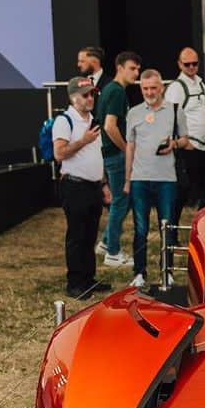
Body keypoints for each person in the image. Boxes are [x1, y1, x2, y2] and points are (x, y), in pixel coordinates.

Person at [124, 69, 189, 289]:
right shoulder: (133, 113)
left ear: (161, 87)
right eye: (145, 88)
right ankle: (139, 272)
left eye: (153, 88)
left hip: (166, 179)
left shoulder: (174, 109)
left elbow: (185, 140)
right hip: (140, 179)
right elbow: (130, 147)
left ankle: (167, 271)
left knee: (167, 227)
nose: (149, 92)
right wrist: (127, 178)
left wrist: (174, 144)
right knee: (140, 228)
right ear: (140, 89)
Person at [53, 75, 112, 300]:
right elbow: (59, 153)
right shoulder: (64, 120)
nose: (90, 99)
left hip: (93, 186)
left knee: (90, 234)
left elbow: (98, 155)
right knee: (77, 234)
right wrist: (83, 140)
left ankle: (88, 279)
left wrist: (104, 183)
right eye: (86, 95)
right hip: (74, 185)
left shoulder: (92, 121)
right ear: (73, 97)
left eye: (93, 94)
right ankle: (75, 282)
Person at [96, 51, 141, 268]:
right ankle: (112, 252)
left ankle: (106, 242)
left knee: (123, 202)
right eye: (132, 68)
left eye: (138, 69)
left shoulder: (111, 90)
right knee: (120, 202)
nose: (136, 72)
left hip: (111, 155)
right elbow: (109, 126)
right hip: (116, 156)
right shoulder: (116, 92)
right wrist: (126, 150)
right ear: (119, 67)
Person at [165, 46, 205, 225]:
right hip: (189, 148)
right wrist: (182, 142)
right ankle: (172, 233)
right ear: (179, 64)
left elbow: (202, 113)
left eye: (195, 64)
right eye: (187, 64)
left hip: (204, 146)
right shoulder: (176, 88)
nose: (192, 67)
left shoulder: (200, 83)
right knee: (182, 193)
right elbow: (169, 117)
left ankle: (200, 227)